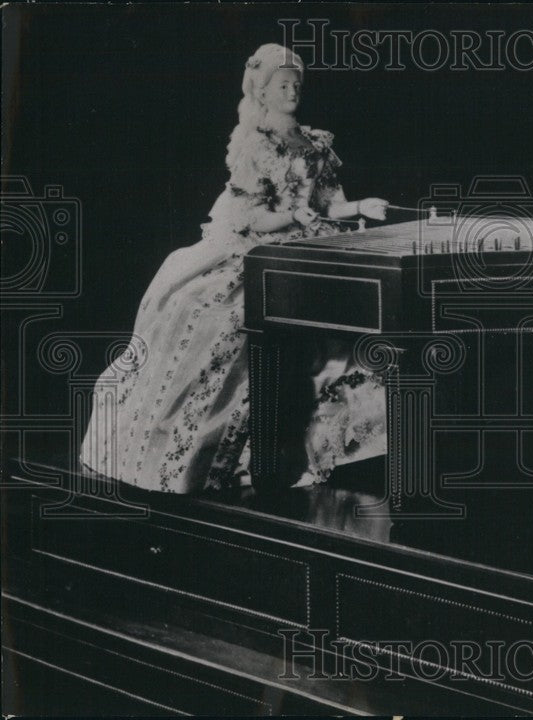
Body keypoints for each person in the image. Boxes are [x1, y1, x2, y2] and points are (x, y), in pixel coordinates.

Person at [80, 43, 389, 493]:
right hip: (263, 246)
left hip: (312, 244)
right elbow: (253, 218)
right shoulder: (255, 145)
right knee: (220, 316)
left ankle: (322, 448)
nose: (291, 92)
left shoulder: (315, 141)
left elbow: (330, 204)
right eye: (282, 85)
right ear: (262, 92)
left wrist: (363, 204)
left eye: (296, 85)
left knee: (349, 317)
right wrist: (293, 217)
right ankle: (227, 455)